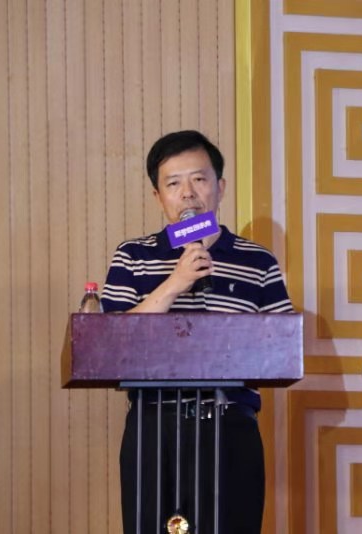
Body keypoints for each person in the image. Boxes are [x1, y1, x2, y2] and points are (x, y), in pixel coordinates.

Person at [101, 130, 294, 534]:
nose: (187, 193)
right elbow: (110, 345)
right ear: (158, 196)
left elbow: (283, 351)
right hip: (155, 427)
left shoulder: (258, 261)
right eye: (173, 183)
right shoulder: (133, 256)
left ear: (220, 187)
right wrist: (175, 283)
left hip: (231, 425)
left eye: (199, 179)